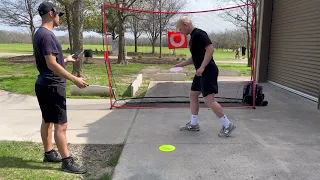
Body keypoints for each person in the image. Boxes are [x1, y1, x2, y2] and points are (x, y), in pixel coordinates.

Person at [33, 2, 88, 174]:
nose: (59, 18)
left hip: (43, 84)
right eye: (58, 14)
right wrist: (74, 79)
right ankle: (66, 162)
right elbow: (51, 64)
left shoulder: (39, 33)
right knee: (61, 125)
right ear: (51, 14)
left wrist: (67, 59)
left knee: (47, 121)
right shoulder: (48, 35)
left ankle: (49, 153)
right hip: (52, 86)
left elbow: (52, 61)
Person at [175, 16, 236, 137]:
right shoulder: (193, 38)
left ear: (186, 24)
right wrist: (182, 64)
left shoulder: (199, 34)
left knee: (209, 100)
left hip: (208, 71)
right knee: (193, 95)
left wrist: (202, 67)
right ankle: (194, 124)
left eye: (181, 29)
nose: (180, 32)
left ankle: (227, 124)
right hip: (200, 72)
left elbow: (210, 49)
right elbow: (195, 57)